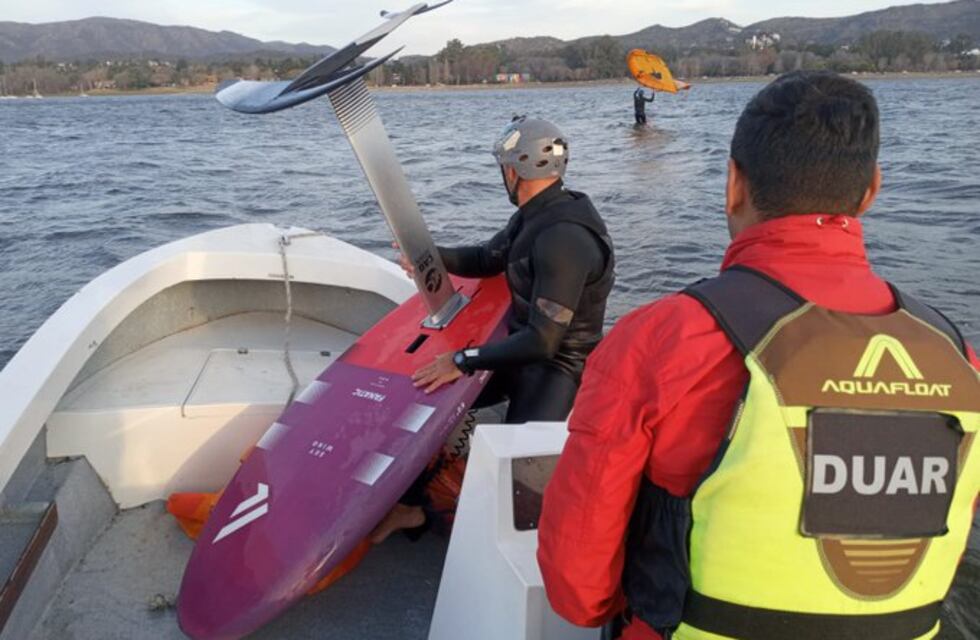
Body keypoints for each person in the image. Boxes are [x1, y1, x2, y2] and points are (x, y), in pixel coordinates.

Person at [538, 70, 980, 640]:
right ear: (871, 190)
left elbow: (577, 589)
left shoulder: (662, 339)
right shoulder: (958, 358)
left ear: (733, 186)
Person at [370, 115, 616, 542]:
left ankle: (517, 550)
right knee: (429, 397)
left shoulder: (564, 237)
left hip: (559, 367)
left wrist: (462, 360)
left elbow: (545, 341)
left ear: (515, 169)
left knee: (520, 486)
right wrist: (428, 255)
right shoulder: (536, 215)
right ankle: (410, 509)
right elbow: (488, 258)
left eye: (503, 166)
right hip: (520, 349)